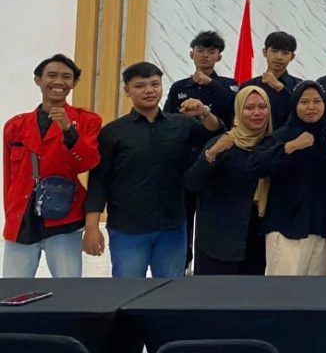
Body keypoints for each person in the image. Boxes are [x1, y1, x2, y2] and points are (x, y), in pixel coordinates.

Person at [85, 62, 222, 278]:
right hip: (128, 228)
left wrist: (204, 112)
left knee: (170, 291)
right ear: (127, 90)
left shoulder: (181, 124)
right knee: (127, 291)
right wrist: (92, 227)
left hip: (172, 226)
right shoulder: (113, 132)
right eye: (140, 86)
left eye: (154, 84)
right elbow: (99, 181)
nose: (149, 90)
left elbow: (214, 133)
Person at [3, 54, 101, 278]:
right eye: (52, 75)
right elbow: (9, 177)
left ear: (74, 83)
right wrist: (11, 215)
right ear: (38, 80)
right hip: (22, 218)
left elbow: (88, 162)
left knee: (68, 287)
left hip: (64, 217)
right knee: (12, 289)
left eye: (66, 77)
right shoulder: (15, 125)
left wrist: (68, 130)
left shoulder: (87, 120)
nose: (59, 82)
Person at [163, 30, 238, 270]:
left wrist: (210, 84)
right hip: (185, 163)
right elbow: (167, 120)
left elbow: (235, 106)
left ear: (219, 57)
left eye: (211, 52)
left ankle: (209, 266)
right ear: (191, 54)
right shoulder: (179, 87)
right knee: (182, 217)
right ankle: (182, 265)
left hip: (217, 162)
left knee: (212, 219)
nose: (205, 55)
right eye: (201, 50)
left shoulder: (229, 85)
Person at [249, 81, 326, 276]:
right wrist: (290, 147)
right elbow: (255, 164)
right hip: (286, 227)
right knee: (283, 291)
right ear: (295, 105)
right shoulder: (282, 136)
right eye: (304, 102)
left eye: (317, 101)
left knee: (317, 292)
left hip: (322, 227)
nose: (311, 107)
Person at [184, 85, 272, 275]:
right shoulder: (224, 143)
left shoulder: (273, 145)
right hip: (218, 241)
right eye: (249, 108)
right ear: (238, 111)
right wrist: (211, 155)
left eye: (262, 107)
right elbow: (192, 183)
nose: (257, 113)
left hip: (258, 242)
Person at [241, 31, 302, 130]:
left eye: (285, 53)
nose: (279, 57)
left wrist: (280, 88)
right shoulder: (248, 86)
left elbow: (301, 115)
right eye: (274, 51)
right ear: (265, 52)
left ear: (292, 57)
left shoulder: (300, 86)